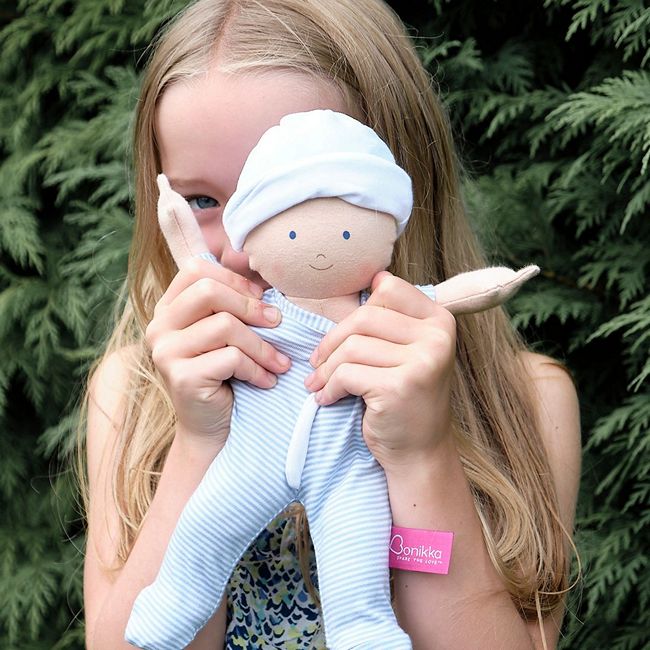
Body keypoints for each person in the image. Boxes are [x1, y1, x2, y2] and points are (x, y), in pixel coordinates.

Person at [79, 1, 582, 648]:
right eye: (202, 200)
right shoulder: (133, 394)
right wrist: (199, 442)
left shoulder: (526, 400)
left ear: (392, 192)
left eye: (292, 196)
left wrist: (419, 456)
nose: (237, 249)